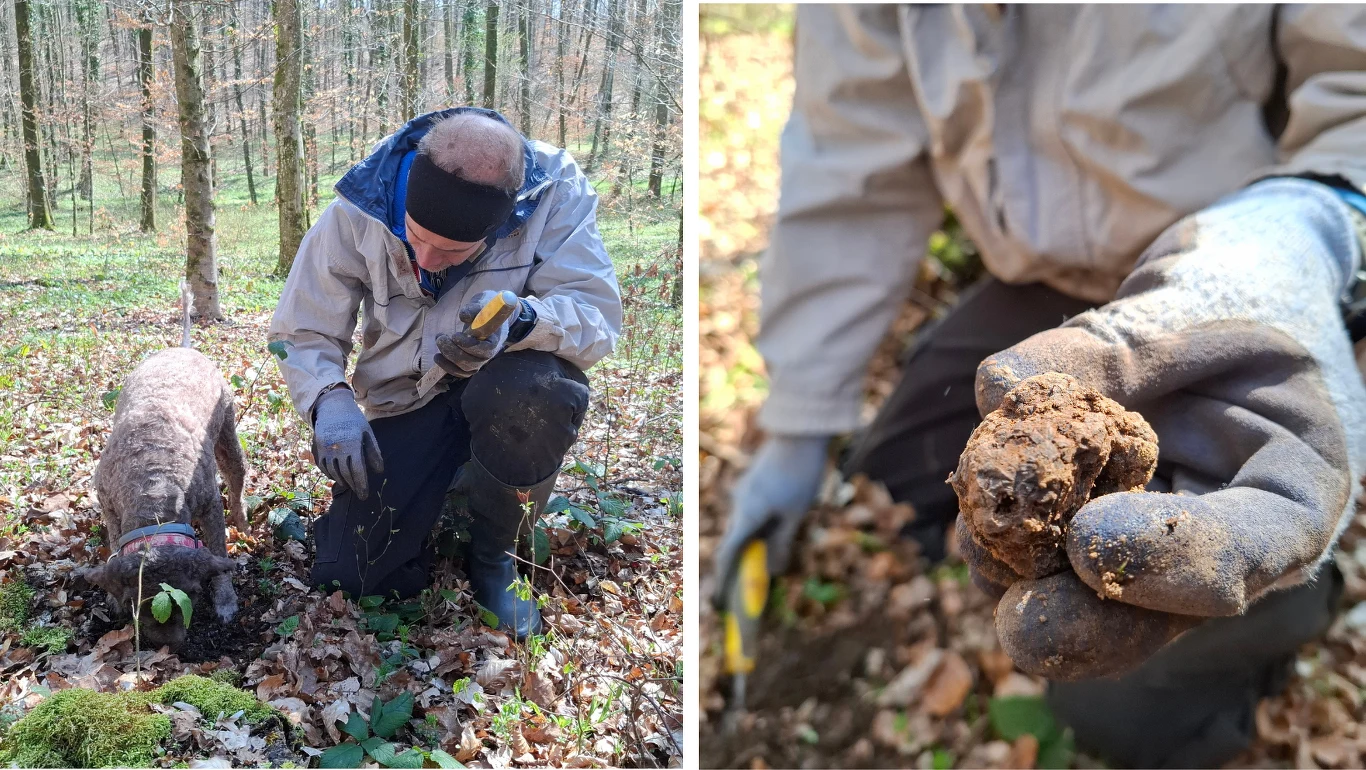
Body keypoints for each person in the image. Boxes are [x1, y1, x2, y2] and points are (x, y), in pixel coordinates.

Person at [712, 5, 1366, 767]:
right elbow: (850, 154)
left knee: (1133, 696)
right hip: (1047, 288)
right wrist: (798, 424)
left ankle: (1303, 591)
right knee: (897, 486)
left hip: (1243, 278)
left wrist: (1312, 224)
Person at [270, 107, 621, 639]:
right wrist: (328, 398)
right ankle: (451, 494)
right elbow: (302, 329)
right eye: (415, 238)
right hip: (406, 399)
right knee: (352, 572)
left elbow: (596, 319)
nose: (428, 261)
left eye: (453, 250)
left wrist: (522, 322)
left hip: (505, 387)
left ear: (500, 222)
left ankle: (495, 559)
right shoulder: (362, 201)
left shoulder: (554, 192)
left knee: (535, 391)